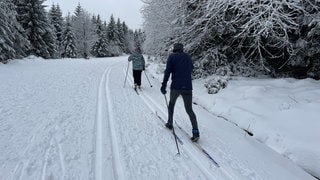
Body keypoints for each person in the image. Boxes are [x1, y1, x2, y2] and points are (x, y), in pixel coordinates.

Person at [160, 43, 200, 142]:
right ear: (182, 49)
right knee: (189, 110)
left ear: (174, 49)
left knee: (171, 104)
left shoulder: (171, 57)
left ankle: (170, 123)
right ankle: (195, 132)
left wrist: (164, 85)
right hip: (187, 87)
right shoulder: (187, 56)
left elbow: (167, 72)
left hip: (176, 87)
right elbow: (191, 68)